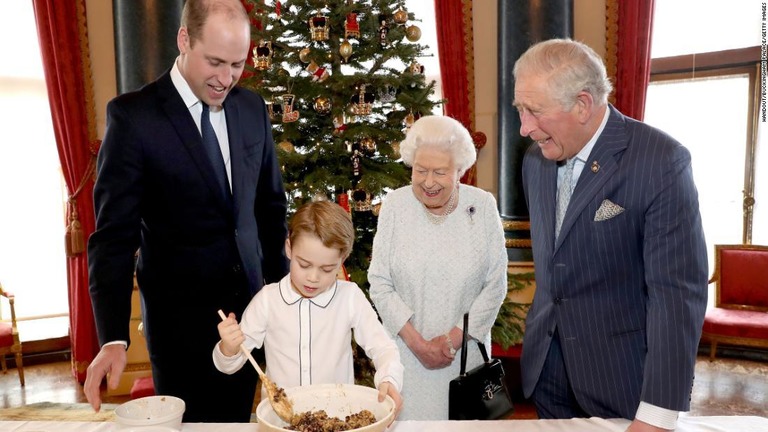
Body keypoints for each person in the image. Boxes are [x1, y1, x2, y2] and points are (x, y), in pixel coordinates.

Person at [84, 0, 289, 422]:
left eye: (237, 64)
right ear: (184, 40)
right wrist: (112, 337)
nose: (225, 78)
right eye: (214, 61)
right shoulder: (133, 118)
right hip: (181, 330)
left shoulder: (252, 109)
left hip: (250, 316)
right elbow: (113, 238)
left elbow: (270, 210)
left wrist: (283, 297)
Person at [513, 38, 708, 431]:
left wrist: (656, 416)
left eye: (533, 111)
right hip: (547, 371)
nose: (524, 128)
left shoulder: (661, 161)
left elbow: (676, 295)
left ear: (583, 104)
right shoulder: (536, 161)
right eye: (520, 110)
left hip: (621, 381)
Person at [368, 115, 508, 420]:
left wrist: (450, 341)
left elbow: (495, 284)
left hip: (464, 362)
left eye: (440, 172)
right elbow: (379, 281)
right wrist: (417, 344)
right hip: (405, 359)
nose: (428, 182)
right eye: (420, 171)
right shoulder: (395, 205)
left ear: (460, 171)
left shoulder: (482, 206)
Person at [214, 200, 404, 417]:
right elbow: (229, 365)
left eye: (326, 269)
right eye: (303, 265)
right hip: (280, 421)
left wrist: (389, 378)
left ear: (342, 259)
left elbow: (384, 348)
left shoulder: (349, 297)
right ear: (289, 248)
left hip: (336, 418)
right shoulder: (268, 300)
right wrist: (229, 348)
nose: (313, 278)